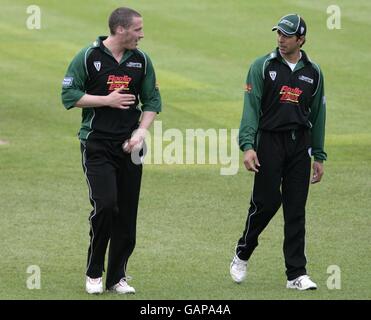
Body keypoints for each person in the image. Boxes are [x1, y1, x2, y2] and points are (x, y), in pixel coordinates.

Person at [61, 7, 161, 294]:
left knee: (127, 215)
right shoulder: (88, 57)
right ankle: (94, 272)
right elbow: (69, 95)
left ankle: (117, 277)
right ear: (120, 29)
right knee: (105, 205)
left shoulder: (141, 61)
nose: (141, 35)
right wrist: (107, 100)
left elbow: (152, 101)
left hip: (130, 147)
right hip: (96, 144)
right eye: (137, 30)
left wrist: (140, 133)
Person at [230, 14, 326, 290]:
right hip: (269, 142)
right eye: (279, 34)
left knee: (296, 208)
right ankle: (243, 252)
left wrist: (318, 154)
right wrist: (248, 146)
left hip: (300, 145)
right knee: (266, 202)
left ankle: (296, 273)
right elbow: (251, 108)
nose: (281, 39)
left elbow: (318, 114)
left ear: (301, 39)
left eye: (287, 35)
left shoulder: (313, 72)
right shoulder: (262, 66)